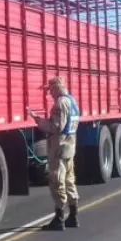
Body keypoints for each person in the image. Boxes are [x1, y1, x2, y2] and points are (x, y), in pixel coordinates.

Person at [28, 76, 81, 231]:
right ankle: (73, 215)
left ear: (56, 87)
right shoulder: (72, 101)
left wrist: (38, 120)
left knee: (57, 181)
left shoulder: (60, 103)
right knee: (70, 179)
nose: (49, 93)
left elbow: (55, 126)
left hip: (59, 146)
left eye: (50, 89)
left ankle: (59, 218)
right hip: (70, 145)